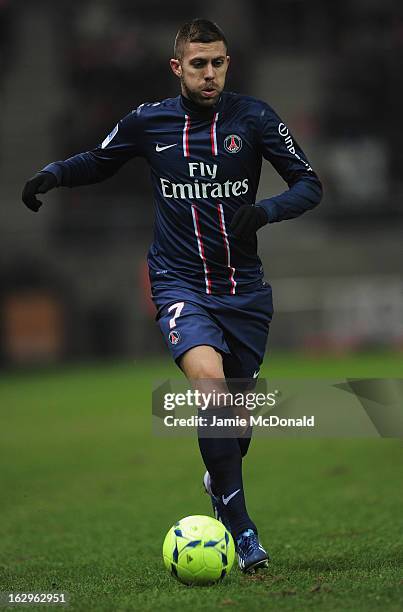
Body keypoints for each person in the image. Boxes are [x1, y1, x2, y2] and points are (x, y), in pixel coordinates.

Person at [22, 18, 323, 573]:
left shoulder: (253, 118)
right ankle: (244, 532)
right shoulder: (149, 122)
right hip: (178, 281)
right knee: (210, 388)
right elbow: (99, 159)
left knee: (235, 418)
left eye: (218, 63)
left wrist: (265, 211)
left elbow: (309, 183)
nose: (210, 74)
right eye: (198, 64)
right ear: (177, 67)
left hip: (243, 289)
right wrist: (53, 174)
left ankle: (219, 478)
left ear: (228, 63)